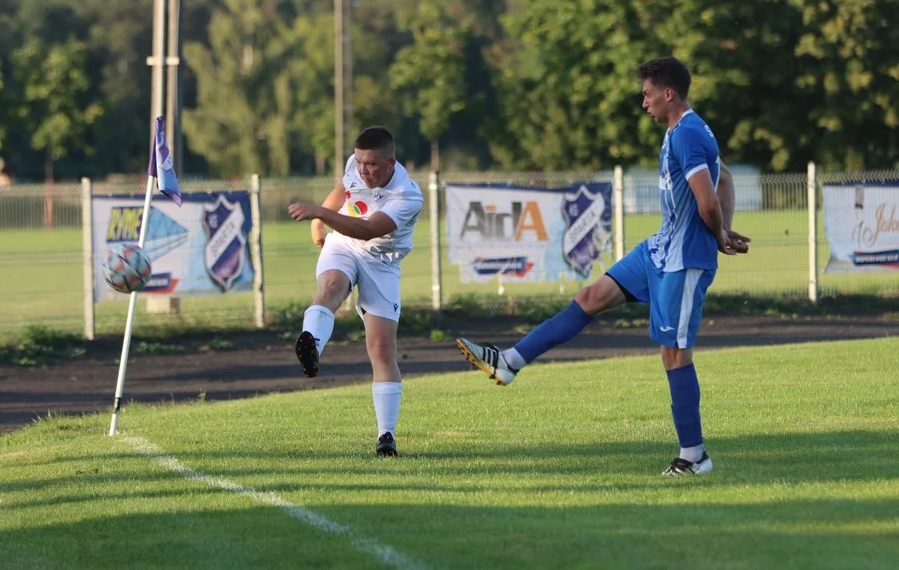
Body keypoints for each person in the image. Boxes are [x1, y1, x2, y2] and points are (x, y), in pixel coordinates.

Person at [455, 56, 750, 476]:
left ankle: (694, 457)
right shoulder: (682, 131)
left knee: (674, 354)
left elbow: (708, 199)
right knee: (590, 297)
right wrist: (726, 226)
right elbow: (725, 179)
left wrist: (719, 235)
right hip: (660, 248)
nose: (642, 102)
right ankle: (509, 362)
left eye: (647, 94)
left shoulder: (688, 134)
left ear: (669, 93)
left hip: (683, 260)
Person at [288, 126, 424, 457]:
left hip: (381, 261)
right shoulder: (356, 165)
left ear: (391, 162)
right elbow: (342, 189)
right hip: (343, 244)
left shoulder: (407, 195)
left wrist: (320, 213)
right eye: (360, 162)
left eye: (372, 165)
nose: (364, 170)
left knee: (381, 349)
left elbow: (367, 230)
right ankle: (312, 347)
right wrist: (318, 222)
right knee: (332, 286)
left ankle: (386, 436)